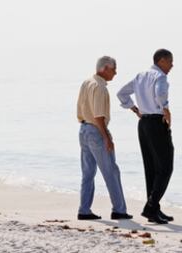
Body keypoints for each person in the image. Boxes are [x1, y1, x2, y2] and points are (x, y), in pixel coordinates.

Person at [117, 49, 174, 224]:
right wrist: (166, 109)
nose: (172, 65)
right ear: (161, 60)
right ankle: (150, 207)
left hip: (143, 125)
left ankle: (154, 208)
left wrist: (134, 109)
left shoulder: (141, 75)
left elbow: (121, 93)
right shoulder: (160, 77)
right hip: (156, 122)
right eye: (170, 61)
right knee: (165, 167)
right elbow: (160, 93)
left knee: (151, 167)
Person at [76, 56, 132, 220]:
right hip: (95, 131)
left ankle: (84, 209)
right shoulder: (100, 87)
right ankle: (119, 210)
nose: (115, 72)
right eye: (114, 69)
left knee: (88, 173)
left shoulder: (87, 82)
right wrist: (107, 137)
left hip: (83, 129)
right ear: (105, 68)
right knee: (111, 171)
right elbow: (99, 116)